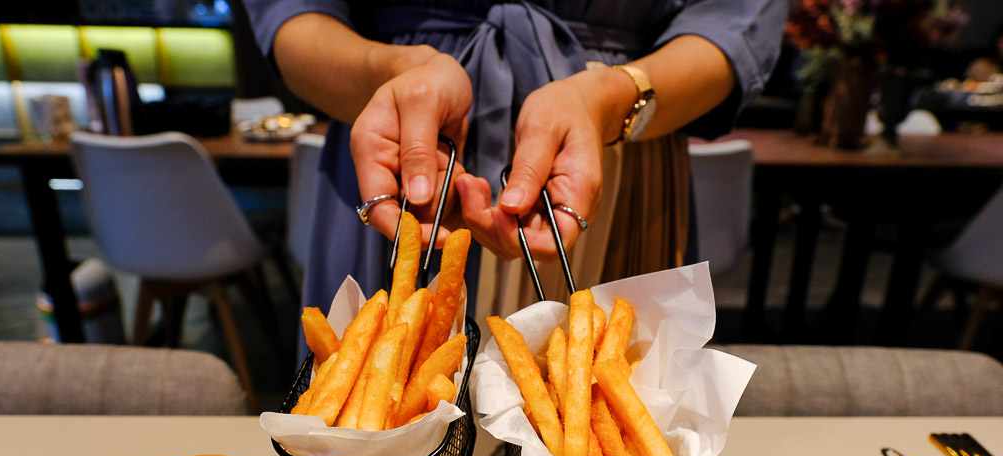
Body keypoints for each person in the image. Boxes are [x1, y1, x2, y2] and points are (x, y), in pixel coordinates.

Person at [243, 1, 789, 326]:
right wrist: (391, 70)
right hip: (396, 153)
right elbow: (294, 20)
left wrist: (609, 98)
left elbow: (734, 25)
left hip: (613, 163)